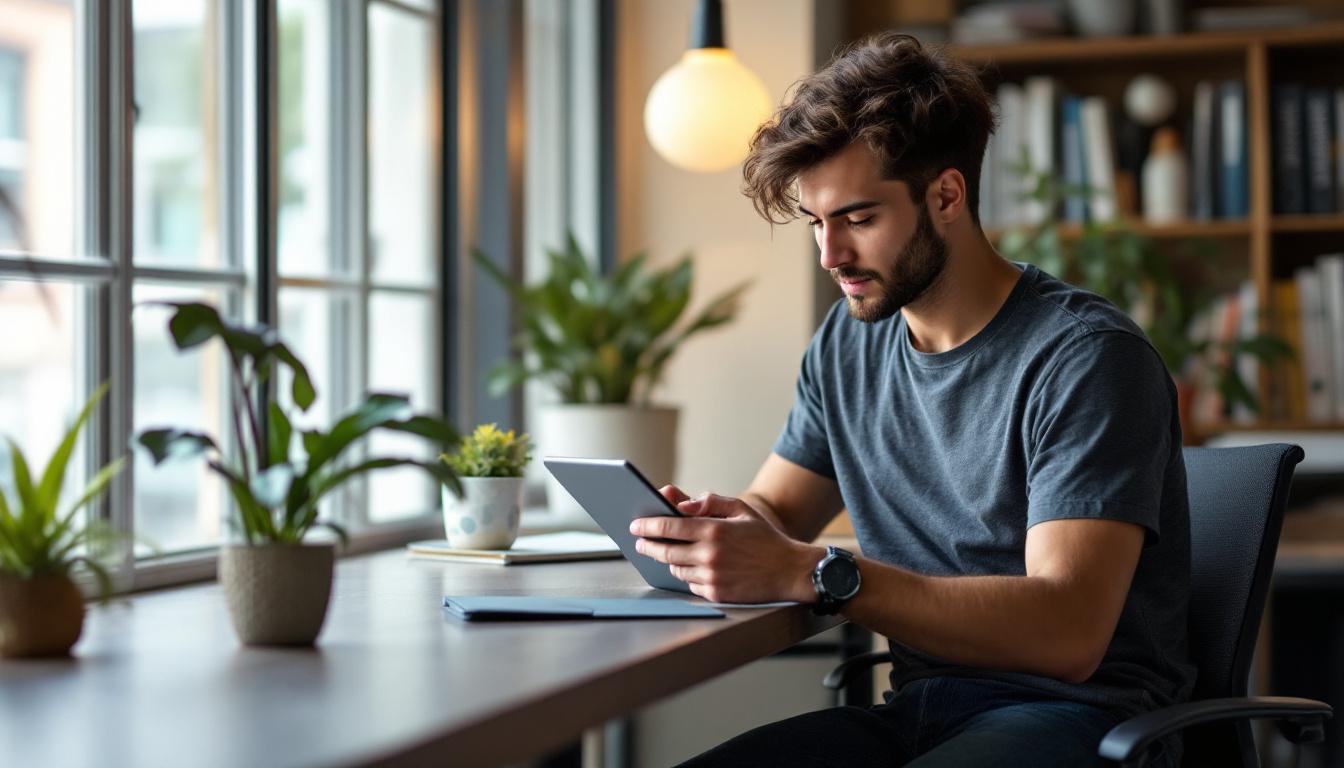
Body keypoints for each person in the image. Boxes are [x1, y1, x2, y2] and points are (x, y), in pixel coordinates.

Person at [628, 33, 1195, 767]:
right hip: (917, 708)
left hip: (1078, 718)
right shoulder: (849, 343)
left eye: (858, 219)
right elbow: (777, 509)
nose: (830, 256)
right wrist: (722, 531)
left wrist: (814, 572)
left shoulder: (1085, 358)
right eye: (816, 223)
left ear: (947, 196)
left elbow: (1068, 634)